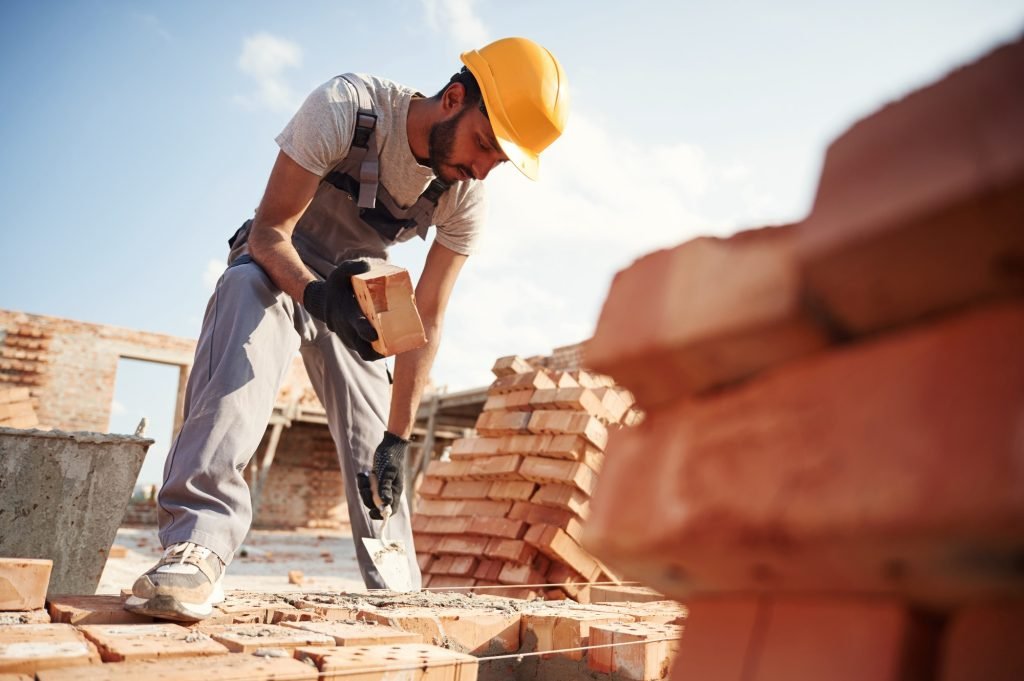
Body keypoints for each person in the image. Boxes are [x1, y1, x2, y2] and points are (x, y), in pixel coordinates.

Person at [124, 36, 569, 621]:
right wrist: (314, 296)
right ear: (453, 98)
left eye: (497, 161)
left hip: (361, 299)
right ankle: (196, 547)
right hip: (282, 265)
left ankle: (397, 587)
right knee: (240, 298)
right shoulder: (346, 109)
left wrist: (399, 438)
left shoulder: (463, 195)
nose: (482, 169)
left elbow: (428, 318)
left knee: (376, 452)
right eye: (484, 144)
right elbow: (267, 234)